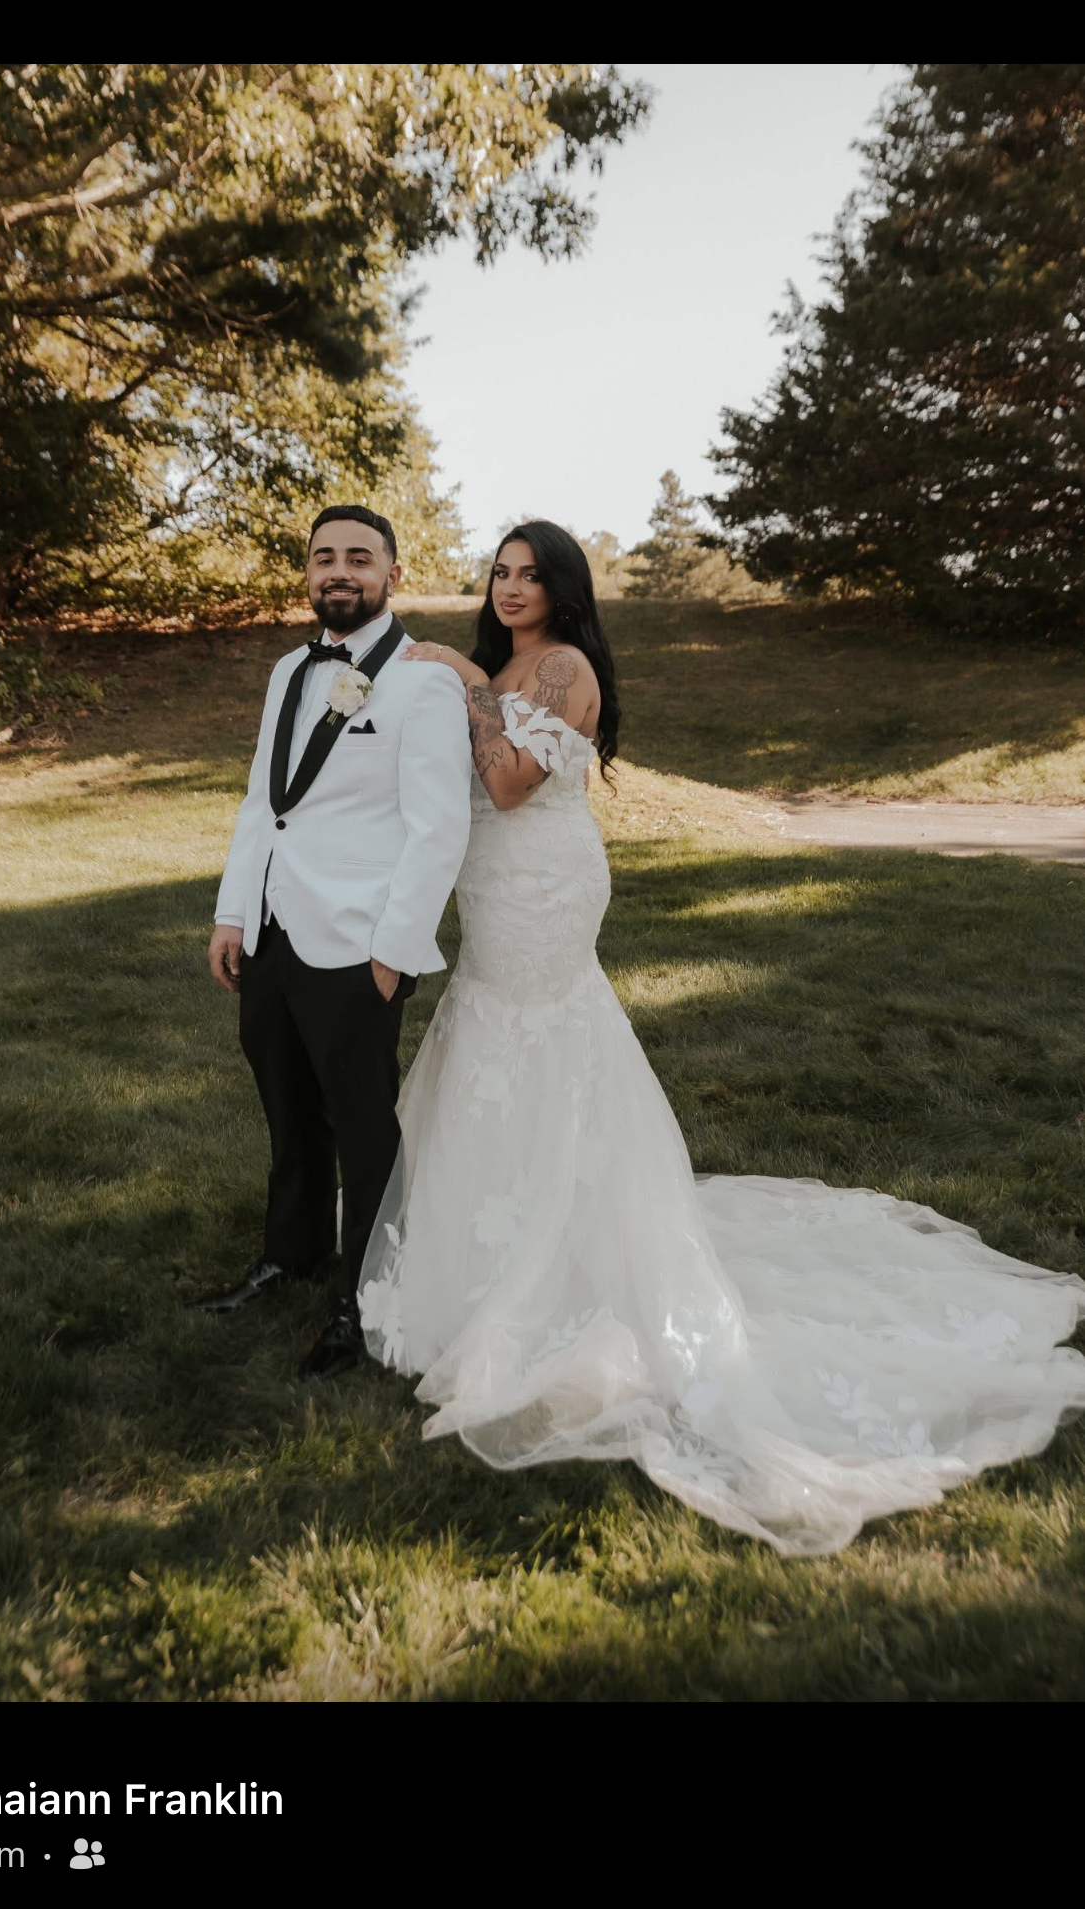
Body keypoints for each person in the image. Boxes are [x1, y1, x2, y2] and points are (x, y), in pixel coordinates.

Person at [355, 519, 1085, 1556]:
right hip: (490, 890)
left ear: (564, 589)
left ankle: (563, 1239)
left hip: (547, 889)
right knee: (482, 1026)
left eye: (530, 575)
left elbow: (514, 783)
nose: (510, 587)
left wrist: (459, 675)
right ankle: (482, 1227)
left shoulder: (560, 668)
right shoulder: (504, 660)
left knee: (541, 1032)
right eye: (499, 573)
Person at [198, 505, 472, 1375]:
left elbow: (438, 830)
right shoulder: (288, 669)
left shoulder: (422, 683)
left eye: (360, 557)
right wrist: (235, 912)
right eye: (325, 558)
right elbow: (262, 804)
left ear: (392, 574)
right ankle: (294, 1249)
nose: (339, 572)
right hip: (276, 933)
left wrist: (393, 954)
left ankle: (368, 1294)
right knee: (287, 1105)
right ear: (308, 573)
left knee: (363, 1127)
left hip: (360, 945)